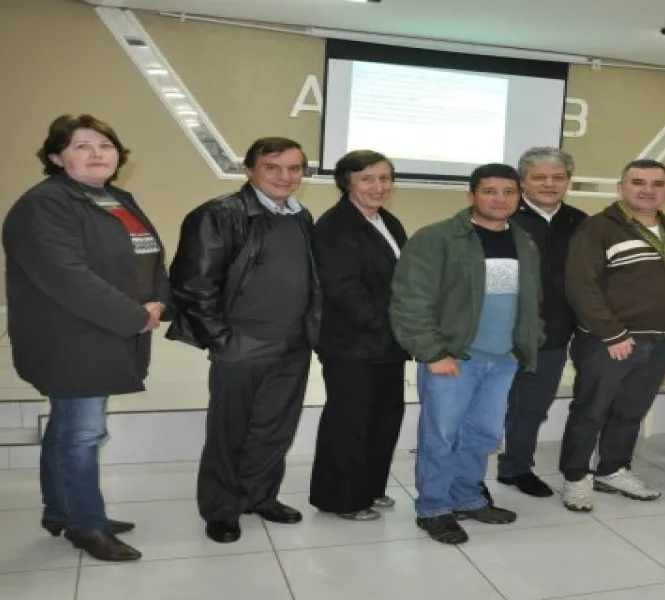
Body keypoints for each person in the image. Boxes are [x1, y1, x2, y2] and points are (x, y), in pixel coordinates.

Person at [3, 114, 170, 562]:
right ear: (57, 158)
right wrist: (134, 316)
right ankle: (86, 525)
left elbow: (150, 257)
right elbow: (68, 276)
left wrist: (159, 300)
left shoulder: (115, 198)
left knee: (69, 427)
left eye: (105, 145)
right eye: (82, 146)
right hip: (70, 337)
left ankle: (62, 510)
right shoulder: (44, 205)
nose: (97, 153)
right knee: (83, 432)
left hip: (107, 329)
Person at [167, 137, 321, 544]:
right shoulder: (220, 214)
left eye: (294, 168)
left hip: (292, 345)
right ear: (250, 169)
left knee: (274, 429)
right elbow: (193, 283)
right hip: (241, 345)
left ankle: (260, 496)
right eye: (273, 167)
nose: (285, 176)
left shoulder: (301, 216)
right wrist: (221, 340)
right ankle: (221, 510)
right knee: (229, 433)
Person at [390, 163, 544, 545]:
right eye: (490, 191)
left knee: (483, 435)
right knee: (441, 436)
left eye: (509, 192)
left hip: (502, 359)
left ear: (519, 197)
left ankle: (466, 498)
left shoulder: (523, 242)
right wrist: (433, 353)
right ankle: (433, 509)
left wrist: (526, 342)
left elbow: (531, 299)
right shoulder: (437, 238)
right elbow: (410, 301)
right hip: (454, 357)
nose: (500, 199)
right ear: (471, 194)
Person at [560, 158, 665, 512]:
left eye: (657, 184)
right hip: (609, 341)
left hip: (657, 342)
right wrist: (613, 333)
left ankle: (612, 470)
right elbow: (580, 286)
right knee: (591, 411)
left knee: (631, 411)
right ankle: (576, 477)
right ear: (621, 188)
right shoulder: (598, 229)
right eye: (638, 182)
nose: (648, 190)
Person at [309, 150, 408, 519]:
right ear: (346, 182)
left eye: (384, 178)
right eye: (367, 179)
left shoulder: (387, 220)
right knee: (350, 422)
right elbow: (345, 290)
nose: (378, 186)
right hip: (352, 343)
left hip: (386, 343)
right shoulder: (336, 226)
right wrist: (391, 324)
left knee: (383, 418)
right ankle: (342, 499)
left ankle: (369, 488)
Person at [493, 147, 588, 498]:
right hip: (501, 334)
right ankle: (465, 478)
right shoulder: (503, 218)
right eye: (539, 177)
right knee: (484, 408)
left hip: (553, 334)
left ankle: (516, 467)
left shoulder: (581, 222)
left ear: (568, 181)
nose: (549, 184)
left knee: (532, 407)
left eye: (558, 177)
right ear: (523, 181)